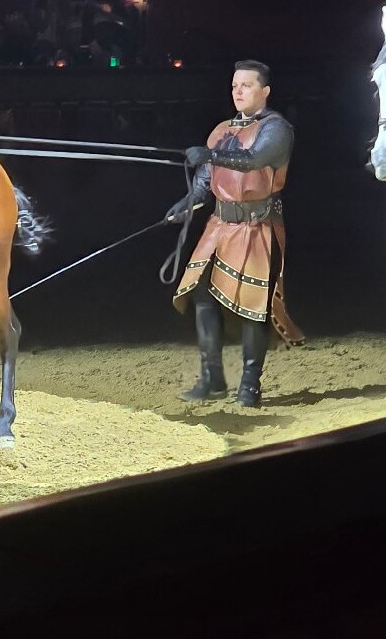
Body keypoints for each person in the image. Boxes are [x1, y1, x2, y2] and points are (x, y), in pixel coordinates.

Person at [165, 59, 304, 408]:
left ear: (265, 91)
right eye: (234, 86)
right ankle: (213, 378)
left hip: (257, 226)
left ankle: (249, 385)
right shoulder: (222, 129)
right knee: (200, 294)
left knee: (253, 307)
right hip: (220, 225)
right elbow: (206, 181)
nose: (238, 92)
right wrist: (186, 202)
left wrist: (210, 154)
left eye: (246, 85)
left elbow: (255, 159)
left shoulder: (278, 129)